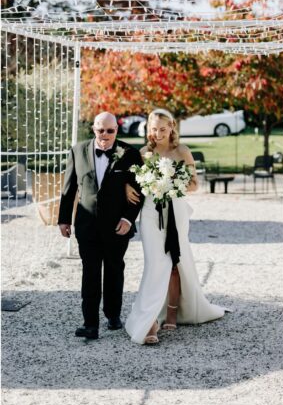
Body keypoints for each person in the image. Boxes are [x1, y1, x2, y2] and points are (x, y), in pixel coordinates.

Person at [123, 109, 226, 345]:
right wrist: (127, 188)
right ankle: (149, 320)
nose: (157, 134)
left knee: (175, 262)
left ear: (171, 127)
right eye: (153, 129)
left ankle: (172, 312)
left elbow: (194, 185)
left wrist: (169, 185)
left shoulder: (182, 151)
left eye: (162, 129)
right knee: (155, 263)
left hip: (176, 212)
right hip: (151, 214)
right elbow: (132, 181)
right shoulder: (143, 153)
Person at [58, 112, 144, 340]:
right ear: (93, 129)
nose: (104, 135)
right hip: (87, 226)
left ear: (117, 130)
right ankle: (90, 323)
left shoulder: (130, 154)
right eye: (100, 130)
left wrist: (128, 219)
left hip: (118, 226)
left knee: (115, 270)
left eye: (110, 130)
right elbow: (69, 189)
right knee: (90, 273)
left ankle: (113, 315)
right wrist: (64, 219)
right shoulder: (78, 151)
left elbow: (140, 191)